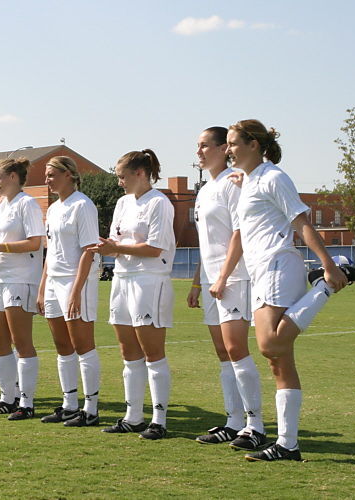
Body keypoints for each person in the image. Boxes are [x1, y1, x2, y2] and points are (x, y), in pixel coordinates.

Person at [225, 119, 355, 461]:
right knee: (279, 362)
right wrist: (245, 179)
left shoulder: (274, 177)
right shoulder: (254, 179)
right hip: (261, 274)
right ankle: (288, 445)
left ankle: (323, 286)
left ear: (254, 144)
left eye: (233, 143)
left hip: (277, 266)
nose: (228, 149)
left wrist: (328, 266)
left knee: (270, 344)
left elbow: (301, 222)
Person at [186, 128, 265, 448]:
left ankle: (255, 425)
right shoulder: (205, 189)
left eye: (205, 146)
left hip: (234, 278)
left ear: (223, 149)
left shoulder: (234, 182)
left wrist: (223, 276)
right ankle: (233, 422)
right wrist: (197, 281)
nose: (199, 152)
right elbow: (207, 244)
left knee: (236, 349)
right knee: (223, 353)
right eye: (198, 147)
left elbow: (239, 234)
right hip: (211, 280)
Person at [91, 149, 175, 440]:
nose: (119, 183)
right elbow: (117, 238)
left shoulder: (159, 203)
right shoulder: (123, 202)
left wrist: (116, 248)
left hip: (149, 280)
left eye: (122, 176)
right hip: (122, 278)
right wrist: (106, 244)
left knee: (153, 353)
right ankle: (133, 416)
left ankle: (159, 420)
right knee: (128, 353)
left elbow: (154, 249)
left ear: (140, 173)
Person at [0, 158, 45, 421]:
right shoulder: (2, 204)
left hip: (20, 279)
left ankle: (26, 403)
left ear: (14, 177)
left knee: (22, 342)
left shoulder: (28, 203)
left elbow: (35, 242)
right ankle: (7, 397)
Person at [37, 156, 102, 427]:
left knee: (82, 345)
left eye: (52, 175)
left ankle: (91, 409)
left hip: (76, 281)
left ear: (69, 175)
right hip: (54, 281)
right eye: (46, 174)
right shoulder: (53, 209)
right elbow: (50, 251)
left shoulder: (83, 205)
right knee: (62, 346)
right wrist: (42, 288)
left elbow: (89, 250)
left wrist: (76, 290)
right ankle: (69, 404)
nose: (47, 180)